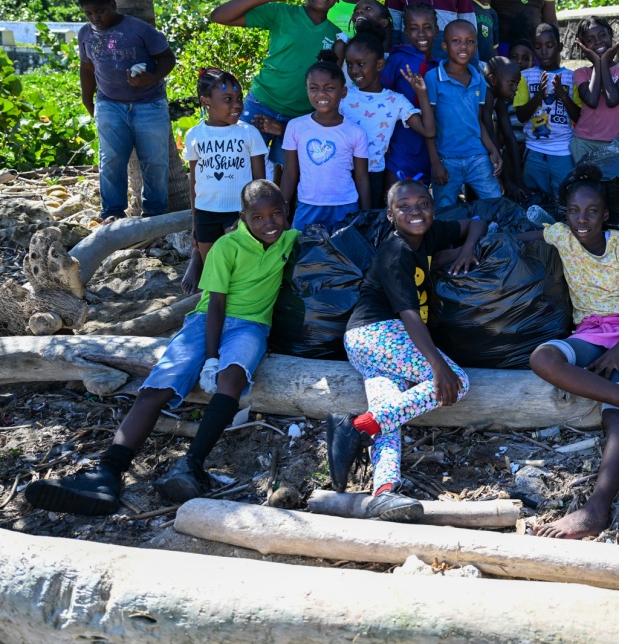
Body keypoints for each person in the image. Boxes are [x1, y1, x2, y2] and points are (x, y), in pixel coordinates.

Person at [25, 180, 299, 515]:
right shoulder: (227, 247)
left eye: (275, 214)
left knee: (233, 378)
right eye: (258, 218)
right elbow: (214, 306)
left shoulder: (290, 240)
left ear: (287, 211)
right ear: (243, 217)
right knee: (157, 386)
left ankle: (190, 465)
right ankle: (107, 472)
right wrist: (210, 357)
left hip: (252, 326)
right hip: (207, 323)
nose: (268, 223)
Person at [524, 166, 619, 539]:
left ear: (605, 214)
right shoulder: (560, 235)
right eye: (575, 210)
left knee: (616, 418)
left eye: (592, 211)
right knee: (542, 358)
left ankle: (597, 508)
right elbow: (516, 237)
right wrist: (468, 242)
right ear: (565, 212)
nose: (582, 219)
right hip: (591, 332)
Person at [326, 180, 486, 520]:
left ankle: (383, 491)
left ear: (433, 206)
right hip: (377, 332)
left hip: (369, 342)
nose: (415, 212)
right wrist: (438, 366)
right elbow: (408, 314)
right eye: (404, 207)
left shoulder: (429, 233)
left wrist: (467, 248)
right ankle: (356, 428)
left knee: (390, 412)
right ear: (390, 215)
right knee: (458, 381)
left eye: (423, 203)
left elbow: (476, 223)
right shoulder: (394, 251)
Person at [211, 0, 342, 171]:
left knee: (285, 183)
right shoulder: (281, 12)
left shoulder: (337, 36)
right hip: (260, 105)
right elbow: (219, 15)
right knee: (239, 170)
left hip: (299, 119)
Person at [77, 0, 177, 223]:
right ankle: (112, 213)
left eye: (100, 11)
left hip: (149, 104)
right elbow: (87, 68)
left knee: (154, 161)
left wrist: (151, 78)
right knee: (111, 160)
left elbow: (167, 58)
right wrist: (87, 100)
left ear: (113, 4)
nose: (95, 18)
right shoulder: (86, 33)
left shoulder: (139, 29)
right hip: (109, 104)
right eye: (89, 13)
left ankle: (154, 216)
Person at [181, 68, 267, 294]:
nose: (237, 105)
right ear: (206, 101)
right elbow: (194, 184)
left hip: (238, 212)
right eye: (228, 99)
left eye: (239, 99)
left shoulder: (249, 134)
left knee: (237, 267)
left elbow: (259, 183)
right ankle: (210, 307)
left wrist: (252, 218)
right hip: (205, 213)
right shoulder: (194, 136)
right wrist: (194, 225)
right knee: (213, 271)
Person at [341, 32, 435, 209]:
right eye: (349, 65)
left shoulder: (395, 101)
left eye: (361, 64)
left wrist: (421, 94)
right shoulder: (343, 95)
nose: (354, 71)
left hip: (374, 174)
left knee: (369, 220)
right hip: (342, 172)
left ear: (380, 64)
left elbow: (428, 130)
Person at [281, 53, 370, 230]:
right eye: (314, 88)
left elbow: (361, 177)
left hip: (346, 206)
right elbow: (290, 173)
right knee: (302, 254)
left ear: (343, 91)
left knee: (345, 255)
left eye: (329, 88)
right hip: (308, 205)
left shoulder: (355, 132)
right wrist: (282, 208)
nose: (321, 94)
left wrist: (366, 216)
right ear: (306, 89)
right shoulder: (295, 127)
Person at [426, 20, 504, 209]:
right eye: (456, 41)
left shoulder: (478, 80)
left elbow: (478, 120)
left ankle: (496, 238)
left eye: (469, 41)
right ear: (444, 46)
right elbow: (428, 125)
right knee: (444, 210)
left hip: (477, 156)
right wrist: (435, 162)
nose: (463, 46)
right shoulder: (433, 78)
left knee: (496, 204)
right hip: (446, 159)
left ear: (476, 47)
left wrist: (493, 151)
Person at [514, 23, 579, 196]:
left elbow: (579, 118)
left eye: (549, 46)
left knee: (565, 198)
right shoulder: (525, 76)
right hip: (534, 150)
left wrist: (563, 96)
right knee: (536, 199)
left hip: (563, 151)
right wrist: (538, 97)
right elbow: (521, 116)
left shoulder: (572, 78)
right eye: (538, 46)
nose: (544, 51)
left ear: (560, 47)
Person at [380, 3, 437, 188]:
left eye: (427, 28)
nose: (421, 34)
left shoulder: (440, 65)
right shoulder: (398, 59)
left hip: (429, 142)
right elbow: (382, 94)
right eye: (414, 29)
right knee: (395, 193)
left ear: (436, 29)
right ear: (405, 31)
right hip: (400, 140)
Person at [574, 16, 619, 162]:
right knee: (585, 184)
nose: (598, 41)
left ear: (611, 35)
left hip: (614, 142)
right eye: (590, 40)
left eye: (602, 35)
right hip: (583, 141)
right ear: (583, 46)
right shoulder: (581, 73)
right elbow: (592, 100)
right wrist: (598, 63)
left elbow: (612, 99)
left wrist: (602, 63)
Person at [482, 56, 527, 200]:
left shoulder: (498, 97)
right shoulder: (487, 95)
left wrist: (519, 181)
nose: (515, 89)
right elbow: (490, 136)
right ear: (493, 80)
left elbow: (509, 136)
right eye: (512, 83)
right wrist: (507, 182)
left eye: (517, 83)